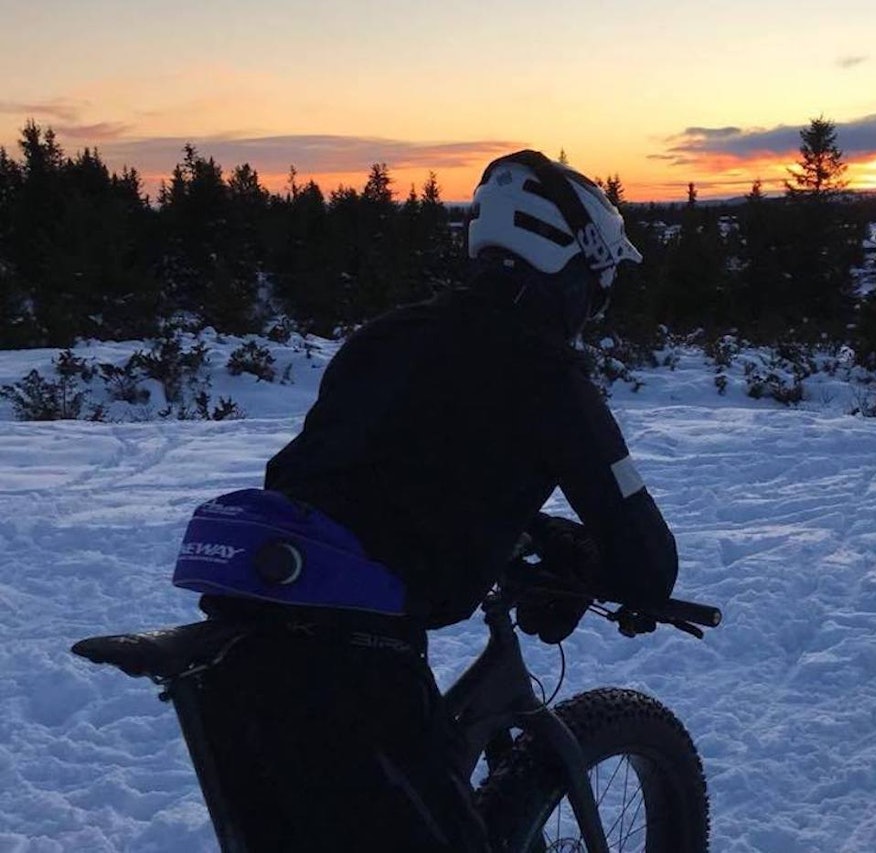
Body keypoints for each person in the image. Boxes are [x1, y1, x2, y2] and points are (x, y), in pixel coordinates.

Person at [171, 149, 679, 851]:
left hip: (244, 645)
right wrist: (619, 575)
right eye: (600, 282)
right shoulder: (547, 374)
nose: (598, 300)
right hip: (348, 661)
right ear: (569, 264)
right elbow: (647, 557)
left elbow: (369, 478)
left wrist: (527, 533)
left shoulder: (387, 337)